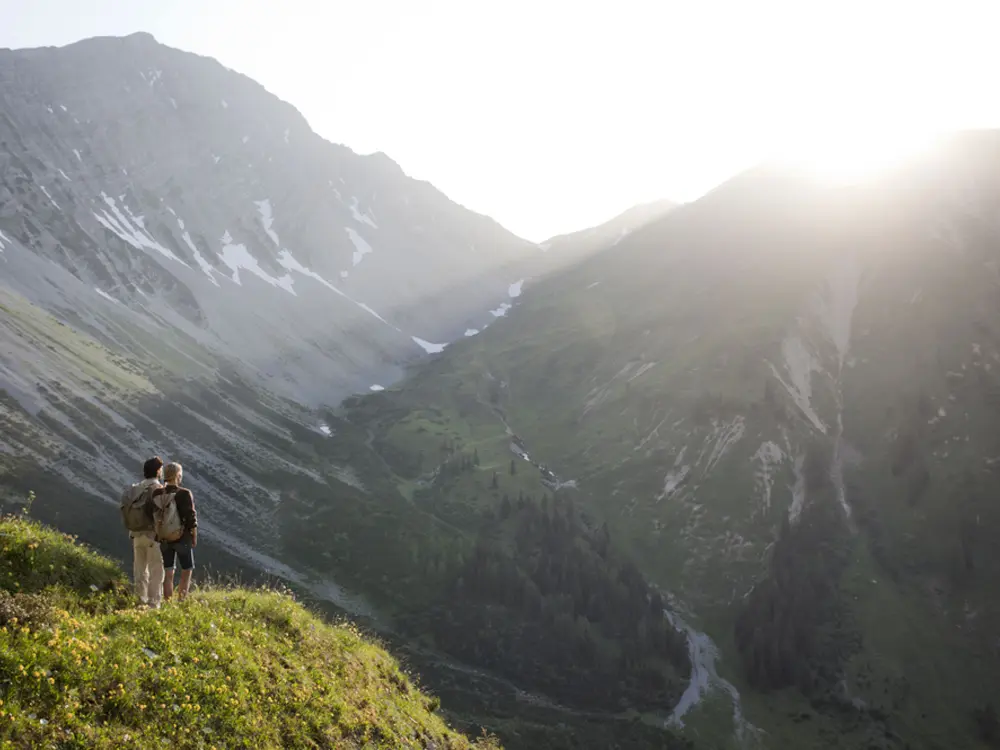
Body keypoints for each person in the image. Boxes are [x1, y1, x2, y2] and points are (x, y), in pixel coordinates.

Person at [121, 456, 165, 608]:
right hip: (152, 535)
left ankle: (141, 600)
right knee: (156, 571)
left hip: (136, 534)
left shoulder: (135, 488)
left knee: (140, 570)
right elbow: (160, 514)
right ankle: (154, 604)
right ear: (158, 471)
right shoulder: (157, 489)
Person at [152, 462, 198, 602]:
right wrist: (194, 536)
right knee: (186, 570)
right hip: (182, 537)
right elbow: (191, 517)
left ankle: (167, 602)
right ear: (178, 475)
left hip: (164, 537)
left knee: (168, 572)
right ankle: (181, 601)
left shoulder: (157, 493)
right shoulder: (184, 493)